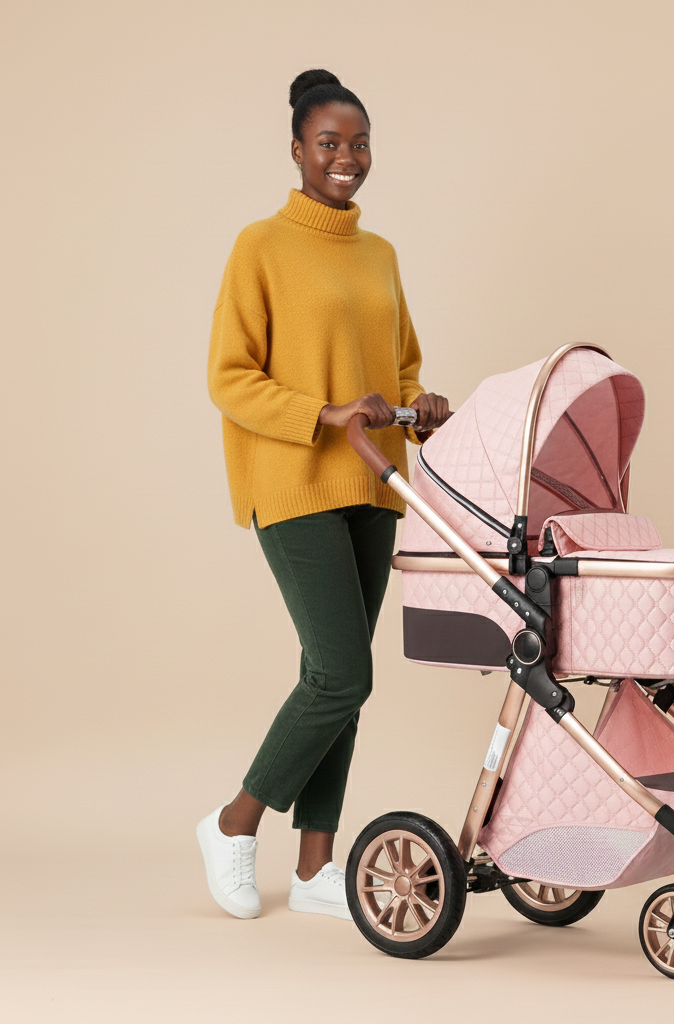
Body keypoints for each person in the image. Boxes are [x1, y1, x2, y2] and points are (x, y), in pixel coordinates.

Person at [199, 69, 450, 922]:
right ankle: (235, 822)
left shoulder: (379, 255)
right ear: (298, 150)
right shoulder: (259, 246)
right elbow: (230, 378)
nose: (347, 158)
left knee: (339, 676)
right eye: (330, 143)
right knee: (343, 675)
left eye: (359, 143)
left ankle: (315, 870)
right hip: (295, 482)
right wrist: (325, 411)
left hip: (375, 486)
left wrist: (421, 411)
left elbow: (401, 362)